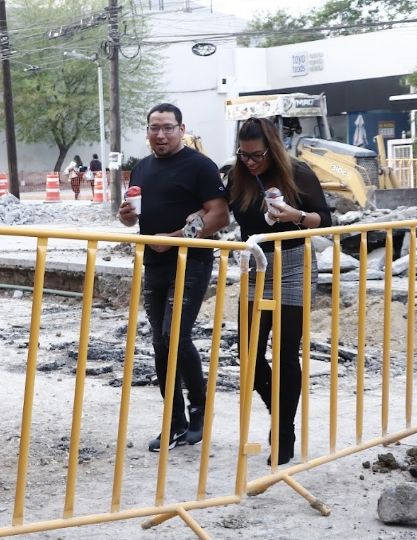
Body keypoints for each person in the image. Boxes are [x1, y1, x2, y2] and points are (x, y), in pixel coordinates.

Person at [117, 103, 229, 452]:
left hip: (191, 260)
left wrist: (177, 238)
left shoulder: (200, 166)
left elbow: (220, 216)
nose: (161, 134)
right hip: (155, 263)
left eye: (167, 127)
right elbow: (132, 219)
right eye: (154, 128)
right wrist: (126, 217)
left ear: (182, 129)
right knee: (161, 342)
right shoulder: (142, 168)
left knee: (175, 336)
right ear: (147, 131)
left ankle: (198, 413)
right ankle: (174, 421)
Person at [227, 117, 331, 465]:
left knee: (286, 353)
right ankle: (280, 413)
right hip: (254, 267)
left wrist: (295, 216)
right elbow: (223, 212)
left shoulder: (297, 172)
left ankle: (284, 433)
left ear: (272, 148)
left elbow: (325, 220)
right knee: (249, 355)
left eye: (256, 155)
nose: (251, 162)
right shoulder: (237, 175)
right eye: (244, 155)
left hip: (292, 264)